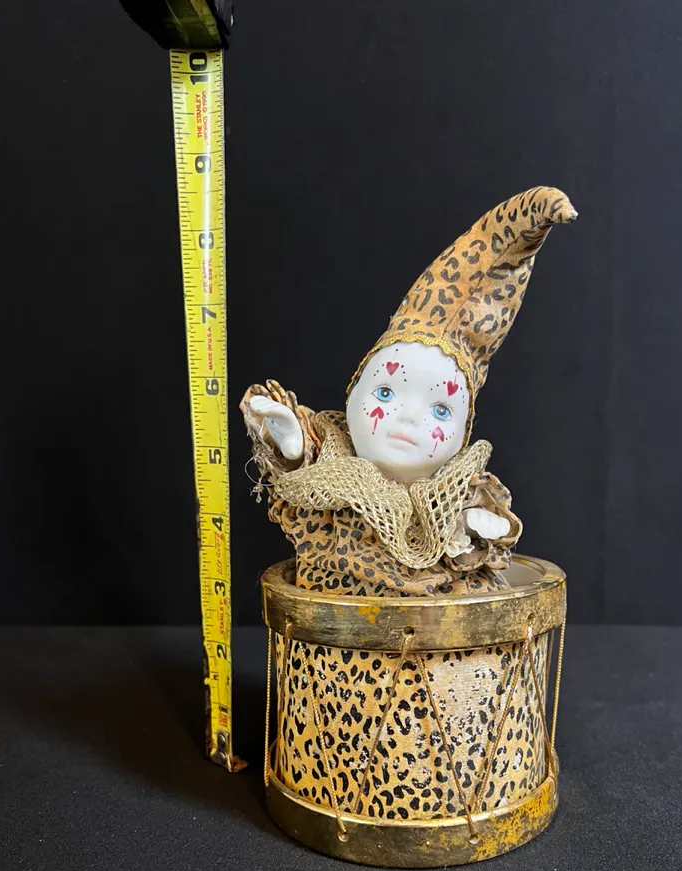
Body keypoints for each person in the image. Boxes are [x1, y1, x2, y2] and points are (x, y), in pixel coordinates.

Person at [241, 186, 576, 596]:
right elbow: (305, 474)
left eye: (440, 411)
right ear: (352, 394)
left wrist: (474, 524)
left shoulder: (450, 492)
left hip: (431, 607)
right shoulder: (336, 464)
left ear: (463, 435)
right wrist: (292, 447)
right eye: (385, 393)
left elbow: (478, 526)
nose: (409, 417)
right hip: (339, 605)